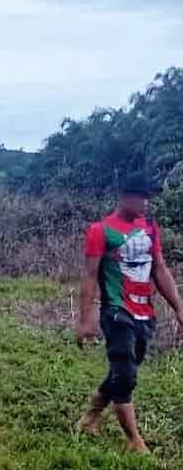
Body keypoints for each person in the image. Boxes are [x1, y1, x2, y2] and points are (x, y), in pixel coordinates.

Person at [76, 175, 183, 454]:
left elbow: (160, 269)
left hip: (144, 312)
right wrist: (85, 320)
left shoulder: (149, 228)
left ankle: (89, 418)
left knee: (122, 370)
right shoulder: (101, 230)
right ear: (123, 196)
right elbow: (89, 277)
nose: (146, 203)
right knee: (126, 376)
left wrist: (179, 307)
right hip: (116, 311)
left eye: (148, 197)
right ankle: (134, 441)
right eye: (140, 196)